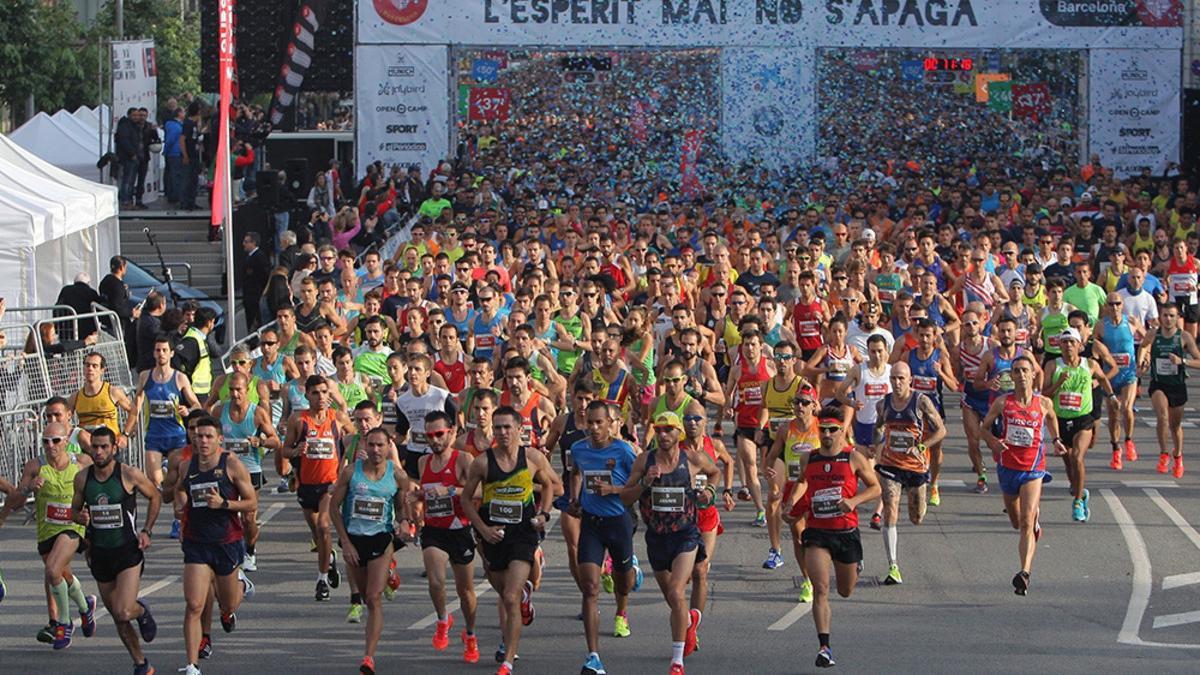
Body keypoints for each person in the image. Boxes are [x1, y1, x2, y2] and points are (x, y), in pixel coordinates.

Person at [460, 405, 562, 675]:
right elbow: (466, 499)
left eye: (508, 427)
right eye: (498, 427)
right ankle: (524, 598)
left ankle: (508, 658)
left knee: (509, 596)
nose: (503, 432)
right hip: (493, 536)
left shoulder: (532, 458)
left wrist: (544, 514)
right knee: (502, 589)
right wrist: (482, 529)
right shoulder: (483, 462)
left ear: (519, 429)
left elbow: (551, 484)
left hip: (523, 534)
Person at [782, 406, 880, 669]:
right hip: (817, 532)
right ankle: (824, 646)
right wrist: (792, 504)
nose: (826, 434)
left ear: (841, 431)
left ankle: (855, 565)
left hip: (846, 532)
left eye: (832, 430)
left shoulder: (854, 458)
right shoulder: (809, 458)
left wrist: (854, 500)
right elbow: (803, 481)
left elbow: (875, 487)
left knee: (845, 590)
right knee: (821, 588)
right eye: (823, 429)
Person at [620, 411, 718, 674]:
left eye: (669, 430)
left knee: (677, 591)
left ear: (679, 433)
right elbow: (626, 499)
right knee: (673, 599)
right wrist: (645, 482)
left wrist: (708, 492)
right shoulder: (644, 460)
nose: (663, 435)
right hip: (656, 538)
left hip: (686, 534)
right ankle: (690, 620)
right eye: (659, 430)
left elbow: (715, 472)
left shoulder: (692, 459)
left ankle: (677, 661)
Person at [71, 427, 161, 674]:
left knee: (124, 609)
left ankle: (141, 610)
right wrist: (80, 517)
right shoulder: (82, 478)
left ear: (114, 448)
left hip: (127, 552)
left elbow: (155, 496)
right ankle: (141, 663)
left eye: (103, 447)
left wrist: (147, 530)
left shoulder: (129, 475)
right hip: (99, 554)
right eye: (94, 447)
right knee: (119, 618)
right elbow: (74, 511)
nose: (98, 452)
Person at [174, 415, 257, 675]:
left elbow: (251, 502)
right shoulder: (187, 466)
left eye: (209, 436)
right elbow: (179, 489)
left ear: (219, 439)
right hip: (197, 542)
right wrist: (180, 502)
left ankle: (241, 585)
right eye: (199, 436)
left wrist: (224, 504)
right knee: (194, 605)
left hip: (226, 541)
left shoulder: (231, 464)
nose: (203, 441)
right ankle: (192, 665)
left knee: (228, 604)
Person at [981, 354, 1066, 596]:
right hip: (1008, 467)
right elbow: (983, 429)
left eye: (1024, 371)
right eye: (1015, 371)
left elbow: (1051, 419)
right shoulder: (1002, 403)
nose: (1020, 375)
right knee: (1017, 522)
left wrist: (1057, 440)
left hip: (1033, 469)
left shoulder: (1043, 403)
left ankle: (1024, 572)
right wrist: (994, 442)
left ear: (1032, 374)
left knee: (1026, 522)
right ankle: (1031, 526)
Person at [330, 426, 409, 675]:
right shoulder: (351, 473)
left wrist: (405, 522)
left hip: (380, 539)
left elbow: (401, 506)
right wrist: (345, 543)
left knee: (373, 598)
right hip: (354, 539)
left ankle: (369, 657)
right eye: (371, 444)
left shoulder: (397, 476)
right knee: (365, 595)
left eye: (380, 445)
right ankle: (389, 577)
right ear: (364, 445)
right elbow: (334, 508)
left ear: (389, 447)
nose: (375, 450)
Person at [569, 401, 639, 675]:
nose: (595, 428)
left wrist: (614, 489)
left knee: (623, 582)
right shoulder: (579, 449)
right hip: (591, 523)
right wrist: (575, 499)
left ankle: (622, 610)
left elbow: (637, 482)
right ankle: (593, 655)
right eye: (591, 423)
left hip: (618, 522)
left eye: (600, 422)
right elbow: (575, 473)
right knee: (590, 587)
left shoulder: (622, 450)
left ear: (611, 423)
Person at [15, 421, 97, 649]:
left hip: (72, 526)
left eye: (55, 441)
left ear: (66, 442)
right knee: (60, 573)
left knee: (52, 569)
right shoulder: (35, 466)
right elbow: (17, 501)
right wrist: (29, 487)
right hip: (46, 529)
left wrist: (89, 516)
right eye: (45, 441)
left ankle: (64, 622)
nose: (50, 445)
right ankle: (85, 606)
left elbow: (97, 488)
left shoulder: (81, 463)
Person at [871, 361, 946, 585]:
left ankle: (917, 507)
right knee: (891, 509)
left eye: (901, 378)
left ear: (910, 380)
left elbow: (941, 430)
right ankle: (893, 566)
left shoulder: (921, 402)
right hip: (890, 464)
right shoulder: (884, 404)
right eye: (893, 378)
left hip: (915, 466)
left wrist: (922, 446)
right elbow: (878, 428)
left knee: (916, 518)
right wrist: (874, 441)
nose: (897, 382)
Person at [282, 375, 354, 601]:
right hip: (306, 486)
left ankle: (321, 580)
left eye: (325, 392)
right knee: (317, 534)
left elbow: (357, 439)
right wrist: (296, 451)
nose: (321, 397)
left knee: (324, 527)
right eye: (316, 393)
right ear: (307, 395)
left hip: (330, 485)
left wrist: (349, 464)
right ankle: (328, 558)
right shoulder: (298, 420)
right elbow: (285, 450)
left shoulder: (338, 418)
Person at [416, 411, 480, 663]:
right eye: (429, 435)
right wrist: (417, 497)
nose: (434, 440)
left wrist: (452, 490)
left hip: (460, 530)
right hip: (434, 530)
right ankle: (443, 619)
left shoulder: (463, 458)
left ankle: (471, 634)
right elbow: (426, 492)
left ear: (451, 432)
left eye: (439, 434)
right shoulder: (423, 463)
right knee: (435, 582)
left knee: (465, 592)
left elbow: (480, 492)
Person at [1042, 327, 1114, 522]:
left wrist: (1112, 396)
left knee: (1077, 457)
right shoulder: (1052, 365)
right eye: (1064, 342)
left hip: (1083, 419)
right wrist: (1059, 384)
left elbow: (1103, 379)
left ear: (1079, 346)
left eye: (1071, 342)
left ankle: (1077, 502)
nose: (1068, 346)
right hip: (1061, 419)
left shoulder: (1089, 364)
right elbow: (1044, 394)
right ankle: (1079, 491)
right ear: (1059, 346)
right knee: (1068, 461)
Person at [214, 372, 281, 571]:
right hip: (225, 470)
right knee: (224, 513)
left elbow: (275, 441)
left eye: (239, 390)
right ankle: (232, 550)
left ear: (247, 390)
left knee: (249, 517)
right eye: (232, 390)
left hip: (250, 469)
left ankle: (250, 550)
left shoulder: (257, 412)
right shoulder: (219, 411)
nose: (235, 394)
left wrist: (260, 441)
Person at [764, 382, 820, 603]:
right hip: (793, 487)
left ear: (814, 405)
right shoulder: (786, 429)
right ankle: (807, 580)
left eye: (805, 402)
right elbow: (772, 456)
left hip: (817, 488)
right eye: (796, 402)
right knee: (798, 537)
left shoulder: (823, 427)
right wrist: (770, 474)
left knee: (819, 535)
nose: (799, 406)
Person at [125, 337, 202, 489]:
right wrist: (131, 426)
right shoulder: (145, 376)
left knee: (177, 480)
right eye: (158, 350)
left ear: (171, 353)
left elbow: (196, 404)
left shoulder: (180, 377)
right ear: (154, 353)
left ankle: (177, 505)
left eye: (165, 350)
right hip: (154, 435)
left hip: (176, 436)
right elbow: (137, 402)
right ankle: (166, 472)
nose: (161, 354)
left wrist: (188, 410)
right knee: (155, 480)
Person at [1139, 303, 1200, 478]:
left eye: (1172, 316)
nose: (1168, 319)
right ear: (1160, 316)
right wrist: (1142, 361)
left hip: (1177, 385)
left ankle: (1178, 456)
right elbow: (1143, 346)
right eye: (1165, 315)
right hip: (1159, 383)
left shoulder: (1184, 337)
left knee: (1175, 426)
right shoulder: (1153, 334)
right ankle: (1164, 453)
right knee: (1162, 416)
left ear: (1177, 317)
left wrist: (1183, 362)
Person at [1095, 292, 1141, 470]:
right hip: (1111, 376)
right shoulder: (1101, 325)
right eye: (1111, 304)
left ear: (1122, 305)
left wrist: (1144, 357)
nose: (1114, 307)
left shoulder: (1131, 323)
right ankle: (1115, 448)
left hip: (1129, 374)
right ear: (1106, 306)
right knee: (1114, 414)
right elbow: (1094, 347)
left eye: (1117, 304)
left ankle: (1128, 440)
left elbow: (1147, 340)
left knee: (1127, 408)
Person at [241, 232, 272, 331]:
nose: (243, 244)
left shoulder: (259, 257)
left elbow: (264, 275)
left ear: (253, 243)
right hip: (249, 296)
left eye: (246, 242)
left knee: (256, 321)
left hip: (255, 296)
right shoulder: (249, 257)